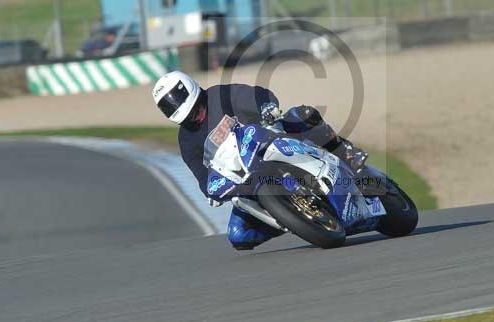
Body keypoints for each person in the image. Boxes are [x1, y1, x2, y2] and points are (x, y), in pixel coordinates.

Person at [152, 70, 367, 250]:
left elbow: (258, 96)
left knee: (302, 114)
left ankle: (344, 152)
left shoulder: (221, 95)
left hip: (269, 143)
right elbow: (203, 179)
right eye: (188, 117)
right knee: (238, 235)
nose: (195, 118)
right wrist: (213, 191)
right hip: (246, 180)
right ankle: (290, 218)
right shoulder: (186, 142)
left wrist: (266, 108)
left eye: (197, 110)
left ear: (194, 91)